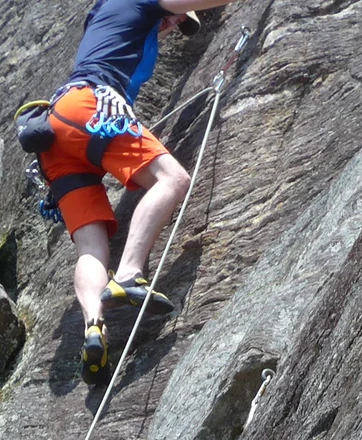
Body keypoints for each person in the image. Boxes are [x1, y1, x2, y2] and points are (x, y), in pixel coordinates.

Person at [35, 0, 238, 384]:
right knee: (173, 180)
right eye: (176, 15)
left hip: (56, 138)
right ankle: (129, 274)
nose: (176, 23)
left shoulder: (115, 24)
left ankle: (94, 326)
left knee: (92, 249)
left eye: (181, 23)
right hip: (90, 108)